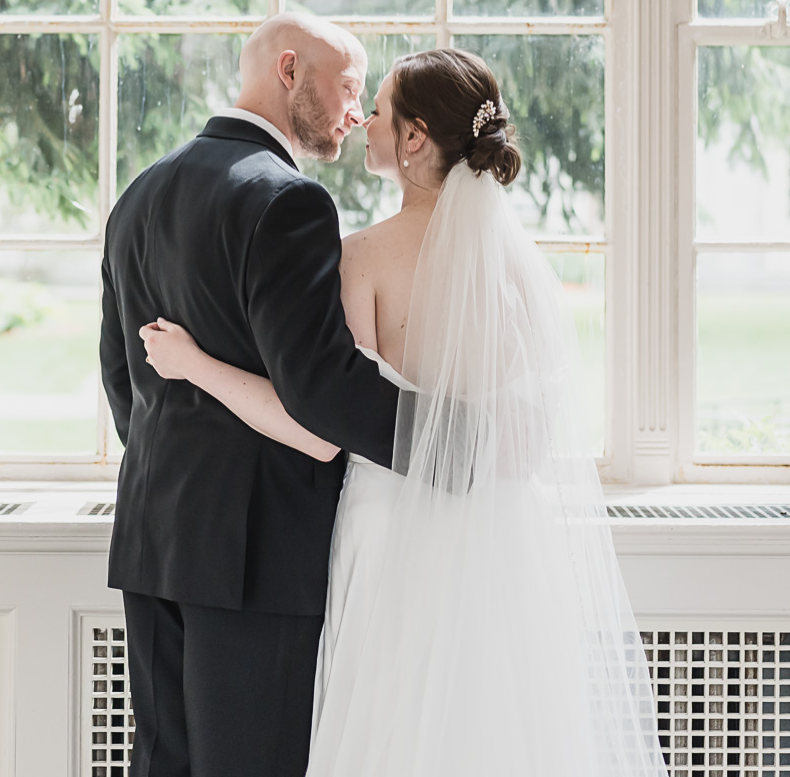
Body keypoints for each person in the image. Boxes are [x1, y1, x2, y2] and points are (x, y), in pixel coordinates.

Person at [144, 47, 668, 777]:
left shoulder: (362, 259)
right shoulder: (519, 266)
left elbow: (318, 426)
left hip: (393, 536)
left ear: (415, 138)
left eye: (380, 110)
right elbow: (527, 439)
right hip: (506, 539)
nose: (363, 119)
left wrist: (195, 366)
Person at [100, 14, 404, 777]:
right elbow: (321, 388)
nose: (356, 113)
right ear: (290, 69)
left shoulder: (139, 193)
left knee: (163, 764)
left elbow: (119, 374)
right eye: (348, 88)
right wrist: (453, 442)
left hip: (154, 537)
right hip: (257, 551)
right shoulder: (287, 201)